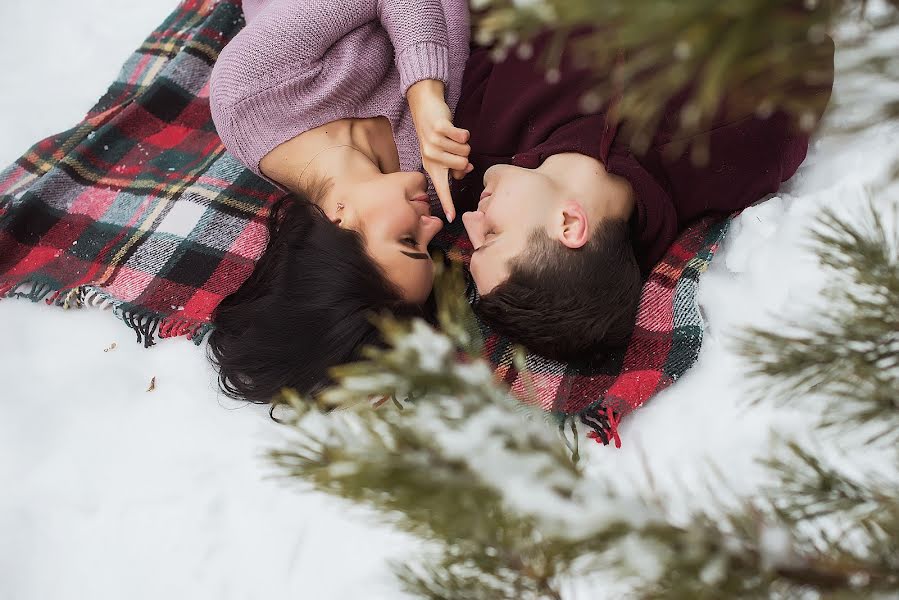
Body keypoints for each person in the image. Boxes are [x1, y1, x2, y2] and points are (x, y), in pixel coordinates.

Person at [454, 29, 835, 362]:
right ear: (569, 225)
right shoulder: (733, 146)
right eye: (490, 236)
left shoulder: (472, 142)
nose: (471, 219)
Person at [206, 0, 470, 402]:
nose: (433, 224)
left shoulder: (249, 91)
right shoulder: (431, 181)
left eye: (407, 240)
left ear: (337, 222)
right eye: (427, 247)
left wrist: (425, 96)